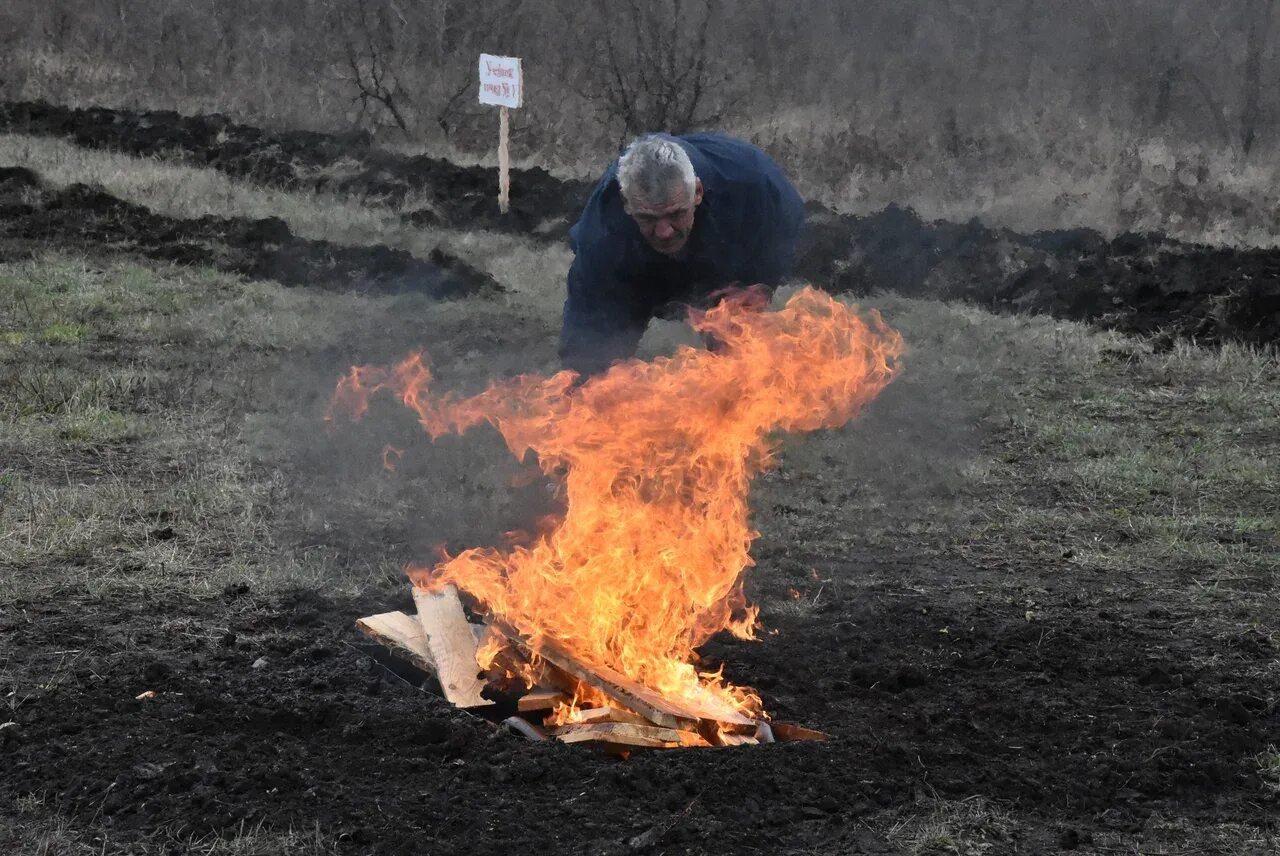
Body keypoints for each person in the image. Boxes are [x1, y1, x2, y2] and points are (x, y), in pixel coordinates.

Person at [559, 133, 805, 377]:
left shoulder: (753, 188)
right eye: (648, 218)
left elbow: (782, 230)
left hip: (733, 243)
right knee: (595, 373)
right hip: (632, 263)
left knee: (732, 347)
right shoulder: (602, 232)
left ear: (697, 192)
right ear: (626, 202)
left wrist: (752, 291)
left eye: (675, 214)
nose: (664, 232)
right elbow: (588, 325)